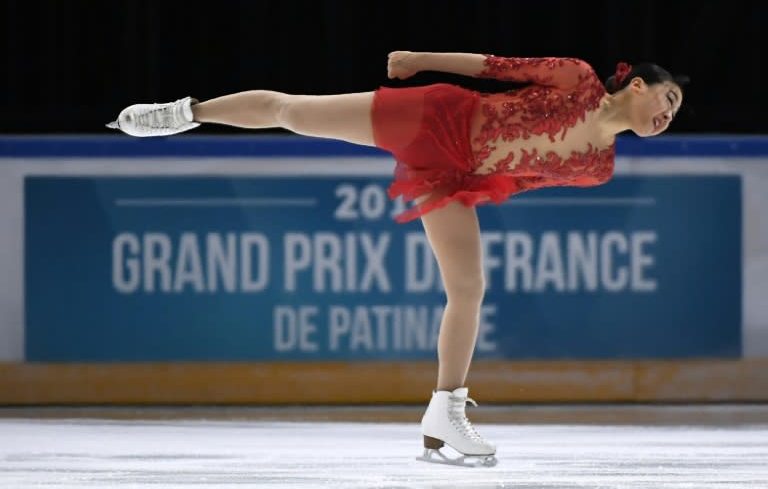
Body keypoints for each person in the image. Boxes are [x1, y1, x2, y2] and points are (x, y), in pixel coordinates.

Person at [107, 51, 688, 467]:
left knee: (468, 288)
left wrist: (467, 184)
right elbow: (495, 68)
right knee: (293, 113)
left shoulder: (599, 167)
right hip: (437, 116)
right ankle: (185, 112)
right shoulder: (578, 78)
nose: (669, 114)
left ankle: (445, 410)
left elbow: (520, 176)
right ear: (637, 84)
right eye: (669, 98)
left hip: (454, 172)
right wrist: (419, 59)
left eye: (676, 112)